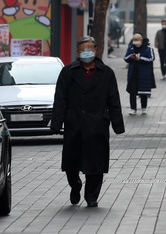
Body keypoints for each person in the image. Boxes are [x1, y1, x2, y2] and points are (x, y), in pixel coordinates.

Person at [50, 36, 125, 208]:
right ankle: (75, 185)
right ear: (78, 51)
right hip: (74, 124)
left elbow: (114, 100)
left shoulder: (106, 73)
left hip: (97, 125)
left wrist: (117, 125)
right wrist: (56, 122)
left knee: (96, 163)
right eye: (84, 49)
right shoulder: (68, 72)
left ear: (96, 50)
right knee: (71, 163)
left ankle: (92, 196)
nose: (87, 52)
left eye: (90, 48)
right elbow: (60, 98)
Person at [124, 34, 156, 115]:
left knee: (143, 91)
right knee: (132, 91)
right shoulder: (131, 47)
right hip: (133, 73)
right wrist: (131, 57)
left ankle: (144, 107)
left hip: (144, 73)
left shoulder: (148, 48)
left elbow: (151, 58)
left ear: (141, 40)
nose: (136, 44)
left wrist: (140, 59)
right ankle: (133, 108)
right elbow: (125, 58)